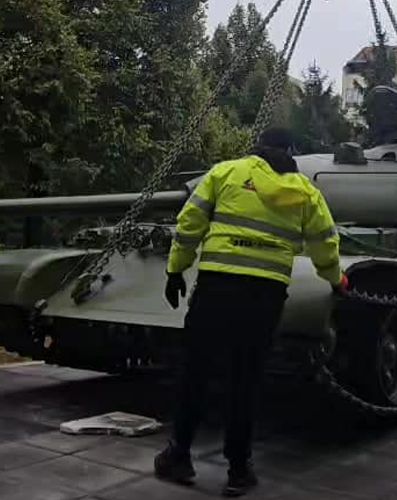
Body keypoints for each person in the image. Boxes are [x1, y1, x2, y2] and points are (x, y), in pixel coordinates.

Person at [154, 128, 348, 497]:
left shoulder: (226, 172)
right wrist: (336, 279)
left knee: (196, 371)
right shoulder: (306, 192)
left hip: (217, 287)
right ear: (291, 152)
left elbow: (190, 222)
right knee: (246, 379)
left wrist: (176, 269)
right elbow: (325, 242)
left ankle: (178, 456)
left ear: (258, 147)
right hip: (265, 295)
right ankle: (239, 470)